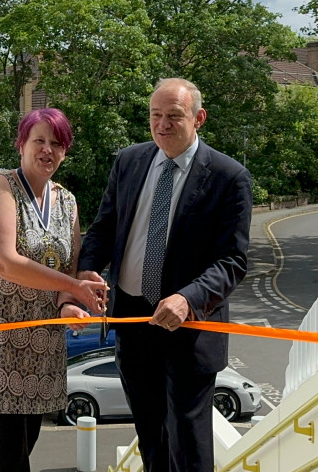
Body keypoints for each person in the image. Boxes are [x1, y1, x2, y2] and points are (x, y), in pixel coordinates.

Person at [78, 78, 251, 472]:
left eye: (174, 116)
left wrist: (189, 297)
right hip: (132, 323)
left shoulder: (229, 177)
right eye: (156, 115)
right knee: (152, 439)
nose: (162, 125)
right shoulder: (128, 161)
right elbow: (104, 229)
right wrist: (86, 271)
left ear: (198, 118)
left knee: (188, 445)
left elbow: (232, 261)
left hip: (189, 331)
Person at [0, 108, 108, 472]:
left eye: (57, 143)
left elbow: (68, 264)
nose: (47, 150)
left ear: (65, 151)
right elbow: (4, 261)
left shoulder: (67, 201)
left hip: (41, 348)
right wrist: (75, 287)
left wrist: (69, 303)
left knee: (23, 448)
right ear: (22, 144)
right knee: (6, 456)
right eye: (39, 140)